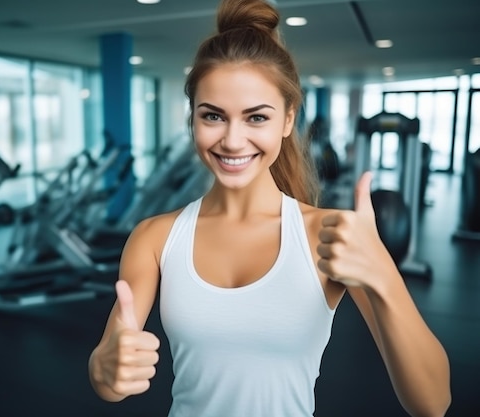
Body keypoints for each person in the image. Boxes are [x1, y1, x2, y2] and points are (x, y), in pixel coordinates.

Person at [88, 0, 451, 415]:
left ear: (287, 120)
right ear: (193, 119)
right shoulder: (154, 238)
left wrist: (383, 274)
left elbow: (433, 403)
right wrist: (106, 368)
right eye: (213, 116)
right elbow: (109, 377)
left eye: (256, 118)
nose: (233, 140)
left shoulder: (327, 236)